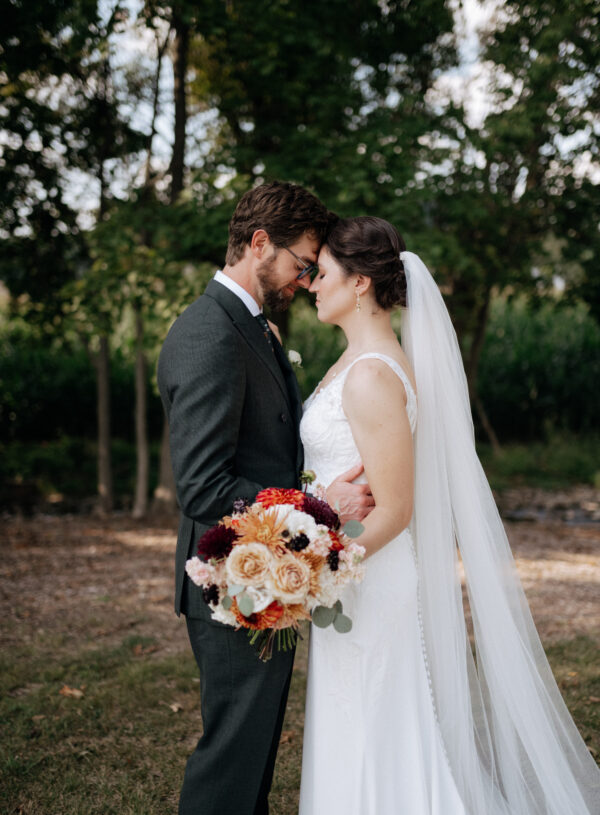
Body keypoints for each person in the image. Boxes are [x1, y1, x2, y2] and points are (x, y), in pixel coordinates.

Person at [298, 215, 600, 814]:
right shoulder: (357, 363)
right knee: (353, 723)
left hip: (365, 575)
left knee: (375, 728)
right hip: (349, 574)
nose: (311, 285)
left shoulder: (371, 377)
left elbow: (398, 510)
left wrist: (315, 563)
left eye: (322, 272)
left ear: (360, 283)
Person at [157, 182, 373, 815]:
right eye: (300, 263)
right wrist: (315, 508)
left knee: (249, 758)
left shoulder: (249, 327)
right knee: (230, 761)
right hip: (232, 584)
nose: (304, 280)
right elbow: (202, 484)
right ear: (259, 244)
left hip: (262, 579)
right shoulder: (210, 335)